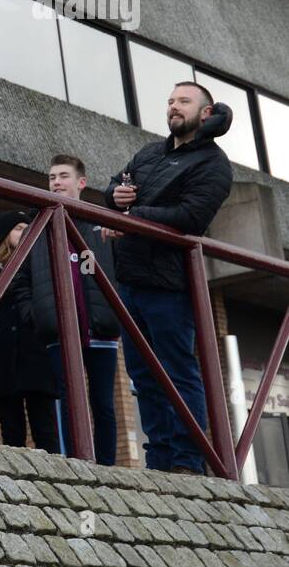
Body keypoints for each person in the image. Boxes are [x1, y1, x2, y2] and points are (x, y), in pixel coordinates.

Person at [104, 84, 233, 474]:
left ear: (206, 113)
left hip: (170, 286)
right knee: (142, 375)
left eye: (183, 102)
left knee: (177, 371)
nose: (174, 107)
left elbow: (191, 217)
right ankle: (159, 459)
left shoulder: (214, 163)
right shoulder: (149, 152)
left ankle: (188, 462)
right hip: (130, 280)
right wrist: (116, 198)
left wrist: (134, 217)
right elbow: (115, 185)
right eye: (171, 101)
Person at [23, 156, 120, 465]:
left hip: (100, 330)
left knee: (102, 403)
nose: (56, 182)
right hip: (59, 332)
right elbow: (20, 282)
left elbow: (120, 274)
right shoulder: (38, 228)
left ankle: (106, 467)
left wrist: (115, 313)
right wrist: (38, 314)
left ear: (81, 182)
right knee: (67, 399)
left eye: (63, 176)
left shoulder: (103, 226)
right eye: (52, 177)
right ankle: (75, 462)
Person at [0, 211, 58, 453]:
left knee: (45, 425)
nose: (25, 233)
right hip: (0, 354)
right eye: (19, 228)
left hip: (36, 353)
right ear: (4, 234)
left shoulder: (43, 266)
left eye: (28, 228)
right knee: (10, 428)